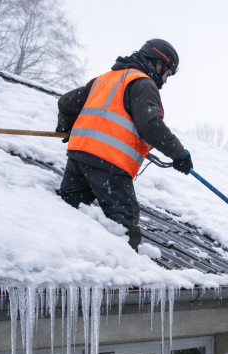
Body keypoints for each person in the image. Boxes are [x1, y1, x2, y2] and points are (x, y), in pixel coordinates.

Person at [55, 39, 192, 251]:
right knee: (124, 229)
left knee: (68, 212)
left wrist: (65, 128)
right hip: (109, 165)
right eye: (168, 73)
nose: (165, 80)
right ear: (158, 63)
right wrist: (179, 154)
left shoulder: (104, 79)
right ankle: (123, 274)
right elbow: (151, 125)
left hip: (78, 158)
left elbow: (66, 103)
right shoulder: (143, 84)